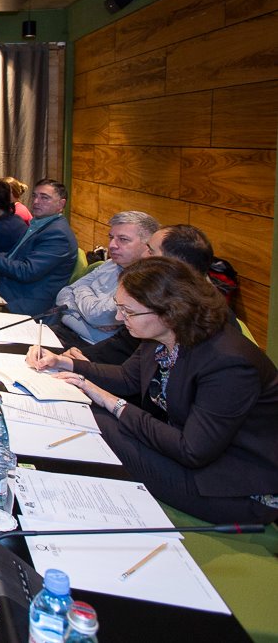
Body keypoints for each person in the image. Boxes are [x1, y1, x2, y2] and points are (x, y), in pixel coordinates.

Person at [28, 257, 278, 524]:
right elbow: (127, 378)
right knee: (87, 413)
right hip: (187, 452)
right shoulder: (162, 335)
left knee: (95, 422)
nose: (119, 317)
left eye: (128, 311)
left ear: (169, 312)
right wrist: (65, 363)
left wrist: (114, 404)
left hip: (231, 486)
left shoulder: (229, 363)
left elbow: (192, 450)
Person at [64, 224, 216, 366]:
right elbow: (124, 349)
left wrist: (80, 365)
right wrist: (74, 361)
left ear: (174, 263)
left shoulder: (206, 331)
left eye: (150, 251)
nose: (143, 255)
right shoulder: (164, 294)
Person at [0, 178, 77, 316]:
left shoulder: (58, 234)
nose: (36, 201)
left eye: (44, 198)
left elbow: (26, 271)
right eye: (34, 196)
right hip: (10, 288)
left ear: (61, 204)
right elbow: (16, 257)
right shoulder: (41, 225)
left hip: (25, 302)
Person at [54, 211, 158, 346]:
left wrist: (79, 294)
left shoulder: (149, 281)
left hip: (91, 346)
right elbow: (64, 294)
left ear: (147, 245)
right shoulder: (110, 264)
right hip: (64, 331)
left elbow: (97, 316)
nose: (112, 245)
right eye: (111, 237)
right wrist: (87, 315)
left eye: (123, 239)